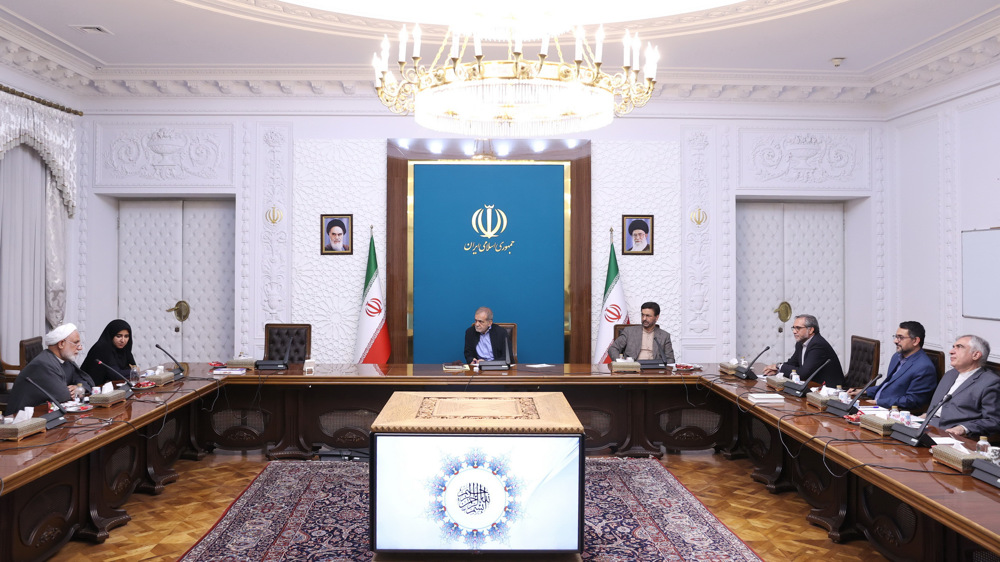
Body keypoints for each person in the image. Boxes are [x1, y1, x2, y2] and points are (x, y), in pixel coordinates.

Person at [4, 323, 96, 415]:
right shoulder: (43, 364)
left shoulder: (65, 359)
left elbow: (85, 380)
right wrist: (77, 390)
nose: (80, 348)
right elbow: (63, 396)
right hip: (23, 418)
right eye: (76, 343)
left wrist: (78, 388)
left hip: (46, 414)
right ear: (61, 344)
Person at [847, 321, 937, 412]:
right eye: (896, 337)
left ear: (915, 341)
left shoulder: (924, 367)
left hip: (891, 411)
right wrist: (865, 391)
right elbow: (888, 386)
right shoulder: (897, 357)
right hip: (874, 405)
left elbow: (912, 400)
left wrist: (879, 402)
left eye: (900, 338)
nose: (895, 341)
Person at [927, 335, 1000, 438]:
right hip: (927, 427)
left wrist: (963, 428)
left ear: (975, 355)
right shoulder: (950, 374)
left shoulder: (990, 382)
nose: (951, 351)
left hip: (951, 435)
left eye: (959, 347)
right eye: (953, 346)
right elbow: (937, 409)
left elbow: (993, 421)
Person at [763, 314, 844, 387]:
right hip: (812, 386)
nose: (794, 331)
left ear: (811, 330)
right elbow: (792, 363)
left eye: (798, 328)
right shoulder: (801, 343)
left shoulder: (818, 345)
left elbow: (803, 373)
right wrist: (778, 371)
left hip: (829, 390)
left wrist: (778, 366)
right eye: (793, 328)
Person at [606, 302, 675, 363]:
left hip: (655, 371)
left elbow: (670, 359)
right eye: (642, 315)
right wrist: (621, 362)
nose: (644, 318)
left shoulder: (664, 336)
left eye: (648, 316)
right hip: (633, 369)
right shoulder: (629, 332)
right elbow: (613, 348)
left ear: (656, 317)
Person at [81, 319, 137, 387]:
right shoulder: (102, 348)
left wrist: (132, 371)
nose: (123, 340)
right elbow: (116, 375)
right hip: (91, 391)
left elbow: (133, 369)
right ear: (111, 335)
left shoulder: (124, 349)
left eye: (126, 336)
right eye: (118, 336)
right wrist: (131, 371)